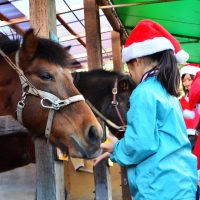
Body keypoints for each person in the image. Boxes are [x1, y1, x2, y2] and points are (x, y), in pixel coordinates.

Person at [94, 19, 197, 200]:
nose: (130, 72)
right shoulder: (168, 93)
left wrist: (116, 148)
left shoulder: (144, 92)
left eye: (129, 65)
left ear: (139, 59)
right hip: (180, 185)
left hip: (159, 189)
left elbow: (141, 144)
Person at [180, 64, 200, 145]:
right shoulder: (181, 100)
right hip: (183, 137)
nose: (186, 83)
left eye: (189, 79)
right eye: (184, 80)